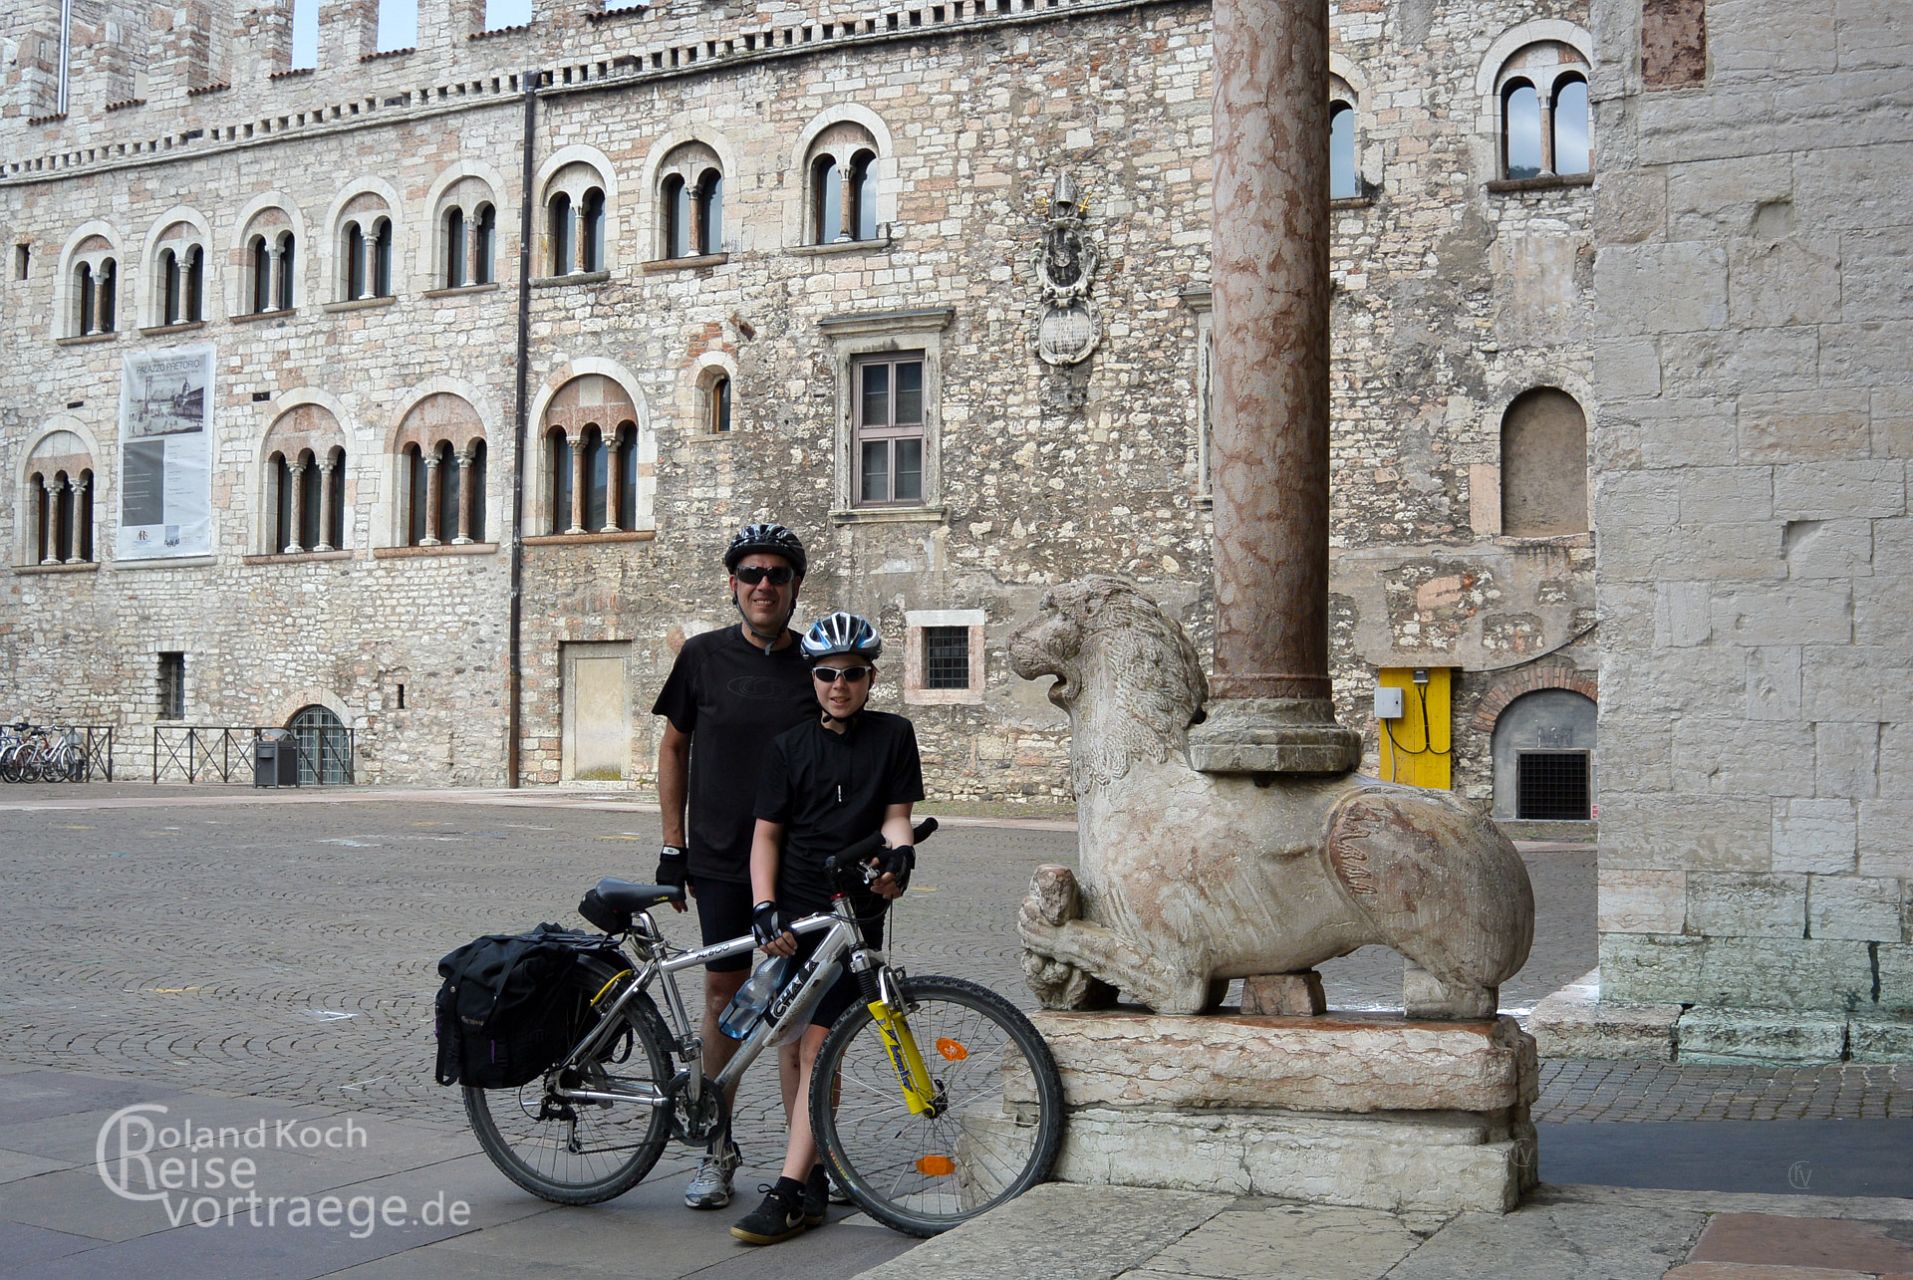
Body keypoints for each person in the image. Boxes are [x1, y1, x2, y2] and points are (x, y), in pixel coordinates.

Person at [729, 611, 923, 1246]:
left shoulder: (894, 735)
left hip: (856, 912)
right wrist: (763, 908)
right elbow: (766, 836)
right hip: (794, 912)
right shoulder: (788, 747)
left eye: (853, 674)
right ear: (813, 678)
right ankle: (807, 1172)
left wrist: (900, 857)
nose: (840, 684)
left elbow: (897, 817)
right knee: (791, 1045)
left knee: (818, 1046)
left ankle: (788, 1189)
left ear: (870, 677)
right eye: (827, 674)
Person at [651, 522, 817, 1210]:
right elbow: (672, 750)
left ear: (794, 587)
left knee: (802, 1014)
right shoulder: (701, 658)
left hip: (801, 861)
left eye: (777, 574)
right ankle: (716, 1150)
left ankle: (803, 1168)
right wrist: (671, 845)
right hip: (719, 855)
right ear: (732, 585)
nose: (763, 585)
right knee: (723, 996)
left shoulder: (819, 662)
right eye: (750, 574)